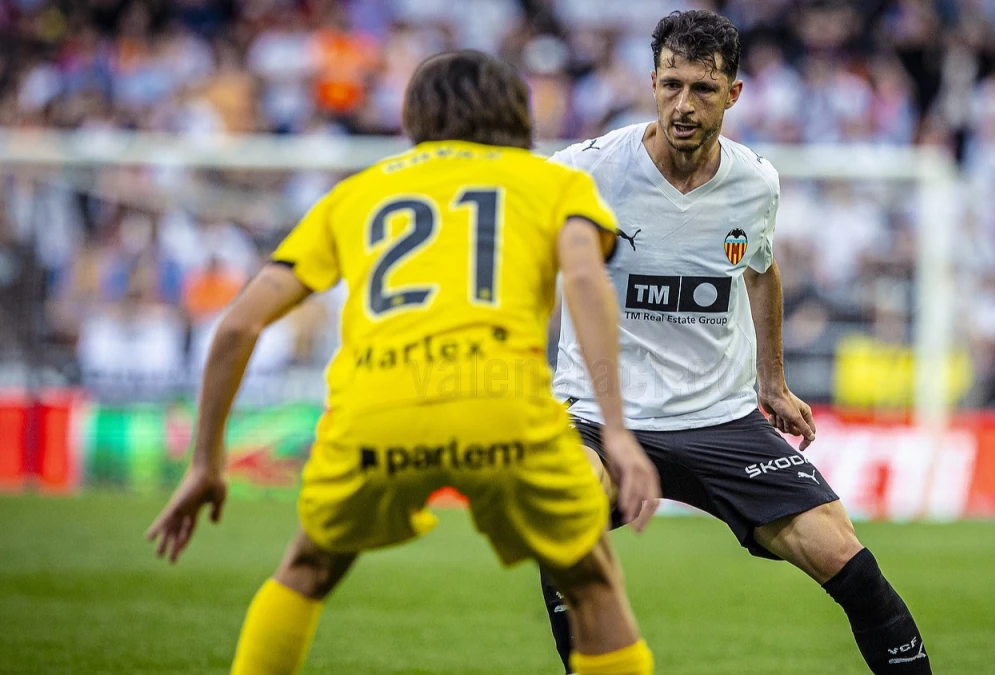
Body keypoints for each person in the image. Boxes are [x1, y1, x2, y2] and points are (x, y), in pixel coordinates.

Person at [146, 50, 661, 675]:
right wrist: (616, 431)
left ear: (414, 115)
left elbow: (236, 326)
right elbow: (585, 280)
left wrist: (206, 460)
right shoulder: (556, 184)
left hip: (376, 410)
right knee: (590, 584)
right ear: (516, 113)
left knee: (307, 568)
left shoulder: (357, 193)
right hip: (499, 402)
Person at [539, 11, 931, 674]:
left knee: (843, 555)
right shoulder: (586, 173)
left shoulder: (755, 182)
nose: (683, 105)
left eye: (702, 88)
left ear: (734, 94)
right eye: (670, 85)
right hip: (600, 415)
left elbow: (761, 268)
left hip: (717, 418)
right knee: (564, 509)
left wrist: (771, 383)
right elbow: (521, 262)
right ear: (653, 83)